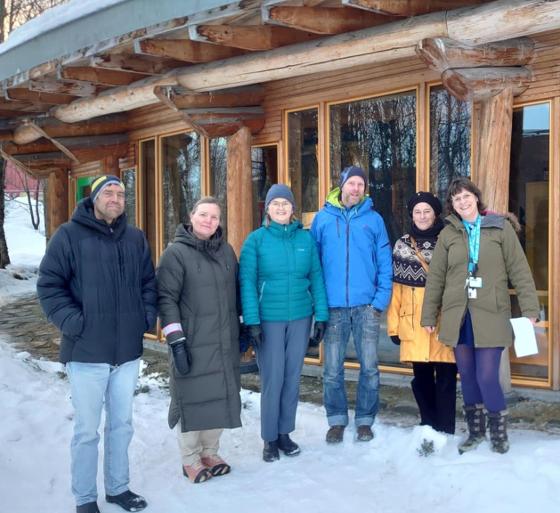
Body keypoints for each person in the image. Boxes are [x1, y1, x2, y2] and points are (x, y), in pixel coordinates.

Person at [37, 175, 157, 513]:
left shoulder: (135, 238)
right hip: (86, 353)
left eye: (121, 193)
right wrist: (75, 323)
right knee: (87, 431)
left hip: (126, 353)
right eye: (109, 192)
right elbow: (49, 285)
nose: (115, 198)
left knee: (121, 425)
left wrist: (145, 318)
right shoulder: (69, 236)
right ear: (94, 198)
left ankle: (118, 489)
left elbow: (148, 283)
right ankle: (85, 498)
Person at [421, 177, 539, 454]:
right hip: (459, 314)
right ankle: (476, 432)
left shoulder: (500, 228)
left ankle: (498, 432)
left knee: (486, 376)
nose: (462, 202)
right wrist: (428, 316)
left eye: (466, 196)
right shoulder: (448, 234)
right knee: (468, 376)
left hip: (491, 313)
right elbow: (436, 277)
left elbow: (519, 270)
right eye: (456, 198)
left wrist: (530, 309)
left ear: (476, 197)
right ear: (452, 205)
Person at [239, 184, 328, 462]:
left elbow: (316, 277)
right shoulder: (256, 240)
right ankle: (269, 438)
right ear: (267, 208)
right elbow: (247, 282)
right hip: (269, 320)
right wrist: (252, 321)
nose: (280, 208)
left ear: (292, 208)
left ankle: (284, 433)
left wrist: (321, 316)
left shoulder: (305, 239)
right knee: (273, 378)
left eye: (285, 203)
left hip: (301, 317)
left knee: (291, 378)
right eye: (275, 203)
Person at [156, 197, 241, 483]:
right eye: (203, 214)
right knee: (193, 398)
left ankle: (210, 452)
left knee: (219, 396)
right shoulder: (175, 254)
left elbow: (236, 294)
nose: (208, 220)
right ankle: (190, 459)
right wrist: (176, 340)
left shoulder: (226, 252)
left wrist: (242, 328)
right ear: (191, 216)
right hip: (191, 341)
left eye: (214, 217)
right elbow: (165, 299)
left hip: (223, 340)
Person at [310, 165, 392, 444]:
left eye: (360, 185)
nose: (356, 189)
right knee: (332, 369)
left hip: (366, 307)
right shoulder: (322, 219)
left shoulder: (374, 220)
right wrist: (319, 303)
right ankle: (336, 420)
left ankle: (365, 420)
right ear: (341, 185)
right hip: (333, 308)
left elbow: (385, 262)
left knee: (369, 368)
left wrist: (379, 302)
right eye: (351, 183)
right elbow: (313, 265)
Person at [387, 192, 457, 434]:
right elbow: (396, 289)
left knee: (447, 378)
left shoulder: (449, 240)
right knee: (421, 379)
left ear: (436, 213)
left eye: (427, 211)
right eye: (417, 211)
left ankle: (446, 429)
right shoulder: (402, 245)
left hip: (443, 319)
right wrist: (393, 326)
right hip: (413, 322)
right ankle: (428, 425)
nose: (422, 216)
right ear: (412, 215)